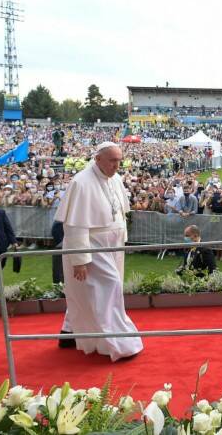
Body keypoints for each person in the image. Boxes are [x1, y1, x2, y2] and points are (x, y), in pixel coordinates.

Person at [53, 142, 143, 361]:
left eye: (119, 160)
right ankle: (119, 343)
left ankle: (70, 331)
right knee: (109, 287)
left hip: (113, 245)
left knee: (89, 291)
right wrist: (80, 260)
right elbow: (74, 225)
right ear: (98, 159)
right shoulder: (81, 183)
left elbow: (119, 213)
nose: (117, 165)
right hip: (92, 246)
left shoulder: (116, 178)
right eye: (112, 160)